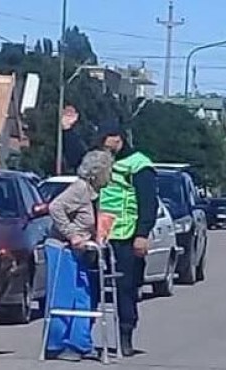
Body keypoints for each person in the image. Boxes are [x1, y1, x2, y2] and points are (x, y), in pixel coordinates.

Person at [61, 106, 158, 357]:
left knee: (125, 288)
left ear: (118, 138)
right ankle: (83, 338)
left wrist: (142, 234)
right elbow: (78, 160)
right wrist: (68, 131)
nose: (103, 146)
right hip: (98, 234)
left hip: (126, 235)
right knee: (90, 285)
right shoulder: (100, 159)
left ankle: (125, 337)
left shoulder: (139, 165)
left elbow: (149, 202)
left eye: (106, 141)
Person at [44, 150, 113, 362]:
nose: (110, 175)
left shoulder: (94, 193)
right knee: (64, 297)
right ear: (97, 172)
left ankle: (80, 343)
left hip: (80, 251)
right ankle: (57, 344)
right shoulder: (79, 189)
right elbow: (55, 207)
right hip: (62, 248)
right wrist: (72, 234)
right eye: (108, 170)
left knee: (83, 296)